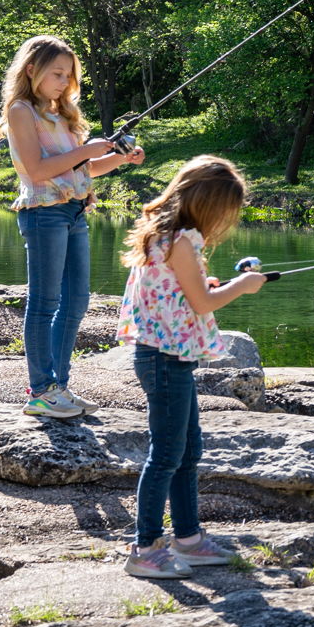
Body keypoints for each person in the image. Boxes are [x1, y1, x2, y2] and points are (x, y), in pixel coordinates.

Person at [116, 155, 267, 579]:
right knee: (166, 454)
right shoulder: (181, 242)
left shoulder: (166, 236)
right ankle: (144, 548)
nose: (225, 222)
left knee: (187, 451)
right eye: (224, 213)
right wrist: (241, 287)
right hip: (163, 360)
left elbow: (184, 293)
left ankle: (189, 540)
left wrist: (209, 285)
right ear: (206, 205)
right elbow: (201, 304)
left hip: (168, 358)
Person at [0, 36, 144, 420]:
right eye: (57, 73)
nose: (64, 82)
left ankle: (59, 385)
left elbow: (85, 168)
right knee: (44, 303)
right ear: (32, 70)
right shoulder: (21, 111)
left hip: (76, 211)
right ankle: (41, 391)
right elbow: (37, 170)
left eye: (69, 75)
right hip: (44, 212)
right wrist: (87, 149)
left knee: (76, 301)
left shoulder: (63, 113)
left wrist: (118, 158)